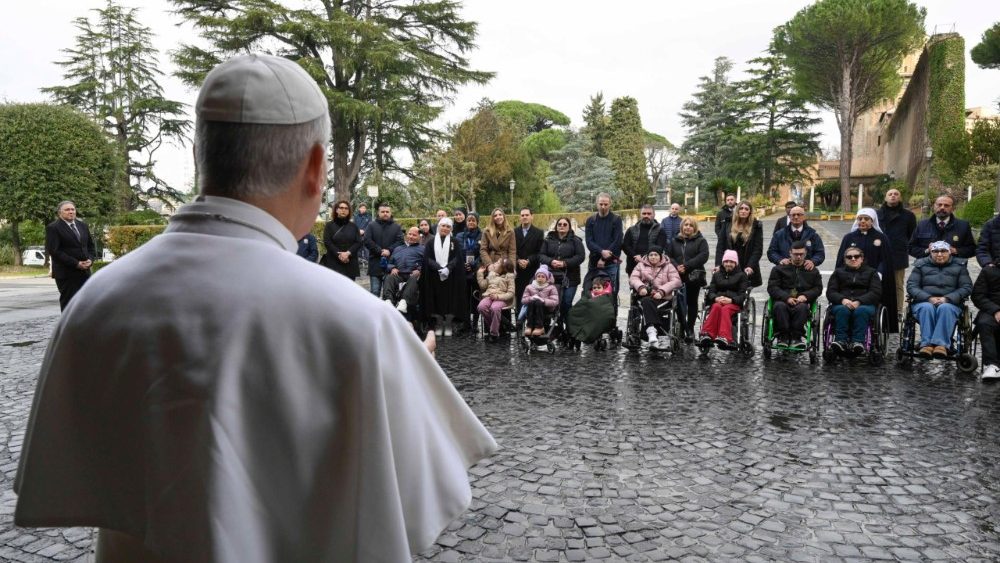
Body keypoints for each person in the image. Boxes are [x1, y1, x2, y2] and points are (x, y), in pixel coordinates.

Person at [14, 53, 496, 563]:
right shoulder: (360, 322)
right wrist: (407, 372)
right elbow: (413, 507)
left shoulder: (97, 299)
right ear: (315, 168)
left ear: (201, 155)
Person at [835, 208, 898, 332]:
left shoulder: (881, 238)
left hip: (874, 279)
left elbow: (885, 259)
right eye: (860, 218)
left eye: (866, 219)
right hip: (850, 277)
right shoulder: (849, 237)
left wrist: (879, 273)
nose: (862, 221)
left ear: (872, 220)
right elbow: (841, 259)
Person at [907, 240, 973, 357]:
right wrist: (929, 298)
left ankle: (941, 345)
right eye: (935, 251)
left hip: (950, 303)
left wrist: (947, 298)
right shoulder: (920, 265)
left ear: (950, 252)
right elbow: (912, 286)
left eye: (943, 251)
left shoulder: (960, 266)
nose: (939, 254)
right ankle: (926, 344)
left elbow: (966, 287)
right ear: (930, 252)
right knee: (927, 308)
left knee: (945, 308)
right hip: (924, 301)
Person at [767, 241, 824, 347]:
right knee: (780, 306)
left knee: (802, 308)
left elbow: (818, 288)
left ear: (805, 253)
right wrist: (786, 297)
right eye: (796, 254)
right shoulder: (778, 269)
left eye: (801, 254)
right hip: (783, 299)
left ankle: (796, 337)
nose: (798, 257)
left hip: (802, 300)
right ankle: (783, 336)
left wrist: (805, 296)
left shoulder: (813, 271)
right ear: (790, 253)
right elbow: (772, 287)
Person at [826, 248, 882, 355]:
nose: (853, 259)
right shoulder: (838, 272)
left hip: (865, 304)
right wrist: (842, 300)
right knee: (842, 310)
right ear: (845, 259)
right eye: (849, 257)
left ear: (861, 259)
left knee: (861, 311)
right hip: (842, 303)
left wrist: (859, 301)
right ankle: (840, 341)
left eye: (856, 256)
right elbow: (831, 292)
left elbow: (876, 292)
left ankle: (858, 342)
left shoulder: (872, 272)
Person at [45, 200, 97, 311]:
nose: (71, 212)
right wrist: (76, 263)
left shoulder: (82, 225)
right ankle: (68, 327)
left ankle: (83, 327)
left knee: (86, 302)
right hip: (66, 273)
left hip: (84, 272)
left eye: (73, 209)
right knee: (69, 303)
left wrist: (90, 260)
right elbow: (54, 251)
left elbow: (90, 246)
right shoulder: (53, 228)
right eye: (67, 210)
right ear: (60, 213)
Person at [629, 246, 682, 348]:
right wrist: (641, 287)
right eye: (651, 255)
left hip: (663, 298)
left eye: (656, 255)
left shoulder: (669, 266)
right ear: (647, 256)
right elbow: (633, 278)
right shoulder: (640, 265)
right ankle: (651, 330)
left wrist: (662, 291)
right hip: (645, 296)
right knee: (646, 301)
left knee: (647, 303)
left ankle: (650, 331)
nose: (653, 257)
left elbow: (676, 281)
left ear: (660, 256)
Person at [423, 218, 467, 337]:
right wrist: (438, 268)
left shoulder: (455, 242)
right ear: (438, 226)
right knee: (436, 300)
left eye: (448, 227)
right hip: (434, 276)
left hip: (451, 276)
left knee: (450, 300)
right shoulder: (430, 242)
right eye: (443, 226)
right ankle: (438, 323)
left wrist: (448, 268)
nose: (445, 228)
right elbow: (427, 258)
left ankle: (448, 323)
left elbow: (457, 257)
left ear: (451, 229)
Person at [666, 217, 709, 338]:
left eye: (690, 225)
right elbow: (668, 256)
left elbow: (703, 256)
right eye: (686, 225)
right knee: (678, 303)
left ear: (694, 227)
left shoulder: (701, 241)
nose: (688, 227)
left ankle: (690, 328)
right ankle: (681, 326)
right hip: (677, 275)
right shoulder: (674, 240)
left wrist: (686, 266)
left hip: (693, 276)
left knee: (691, 302)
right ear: (682, 227)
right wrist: (676, 266)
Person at [876, 188, 916, 314]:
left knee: (898, 284)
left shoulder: (908, 215)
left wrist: (904, 245)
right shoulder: (876, 214)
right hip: (878, 253)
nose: (893, 196)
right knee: (877, 282)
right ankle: (878, 308)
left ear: (900, 197)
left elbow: (912, 235)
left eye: (896, 194)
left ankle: (898, 310)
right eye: (890, 194)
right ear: (885, 198)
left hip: (898, 254)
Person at [699, 250, 750, 348]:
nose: (728, 264)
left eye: (731, 262)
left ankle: (724, 336)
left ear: (735, 263)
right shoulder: (717, 275)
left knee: (725, 309)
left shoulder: (742, 276)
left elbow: (743, 294)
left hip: (733, 303)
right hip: (719, 301)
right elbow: (711, 291)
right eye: (726, 261)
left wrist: (731, 300)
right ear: (723, 263)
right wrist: (716, 298)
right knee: (716, 307)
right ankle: (707, 334)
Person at [539, 217, 585, 324]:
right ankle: (553, 324)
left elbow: (580, 257)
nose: (562, 226)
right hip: (552, 277)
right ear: (556, 226)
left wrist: (565, 263)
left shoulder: (576, 241)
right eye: (560, 224)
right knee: (552, 301)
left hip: (570, 277)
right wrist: (551, 261)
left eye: (565, 224)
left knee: (566, 303)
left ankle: (567, 325)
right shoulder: (548, 240)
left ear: (569, 227)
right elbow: (541, 255)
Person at [908, 194, 976, 260]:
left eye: (946, 205)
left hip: (954, 267)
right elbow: (910, 248)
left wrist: (955, 250)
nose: (942, 207)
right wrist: (927, 250)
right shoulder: (922, 225)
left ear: (953, 208)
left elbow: (972, 249)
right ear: (934, 206)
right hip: (926, 267)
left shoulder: (963, 225)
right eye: (939, 205)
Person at [715, 201, 764, 287]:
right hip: (729, 264)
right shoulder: (728, 223)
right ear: (737, 210)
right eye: (741, 208)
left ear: (750, 212)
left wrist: (750, 266)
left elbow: (758, 249)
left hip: (747, 264)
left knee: (743, 293)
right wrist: (718, 264)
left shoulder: (756, 226)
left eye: (746, 209)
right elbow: (720, 246)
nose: (743, 211)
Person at [585, 192, 624, 299]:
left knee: (611, 293)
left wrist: (603, 258)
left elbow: (617, 241)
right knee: (592, 292)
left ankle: (612, 315)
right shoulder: (591, 221)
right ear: (596, 204)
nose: (603, 207)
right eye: (601, 204)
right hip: (594, 263)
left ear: (610, 204)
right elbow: (589, 242)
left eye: (606, 204)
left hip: (611, 263)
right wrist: (601, 252)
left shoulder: (616, 220)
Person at [382, 226, 425, 317]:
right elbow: (389, 264)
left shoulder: (423, 249)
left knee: (414, 278)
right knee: (389, 277)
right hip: (398, 274)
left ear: (419, 237)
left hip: (412, 275)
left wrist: (419, 270)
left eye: (414, 235)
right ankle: (388, 301)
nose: (411, 236)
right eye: (410, 234)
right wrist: (392, 268)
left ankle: (404, 302)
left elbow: (427, 264)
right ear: (406, 235)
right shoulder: (398, 249)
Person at [363, 203, 404, 297]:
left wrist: (389, 250)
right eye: (383, 212)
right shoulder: (371, 225)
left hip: (391, 265)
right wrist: (380, 251)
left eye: (387, 212)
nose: (385, 213)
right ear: (378, 213)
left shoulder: (396, 227)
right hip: (375, 264)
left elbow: (400, 241)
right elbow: (367, 240)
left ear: (390, 213)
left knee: (389, 293)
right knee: (374, 293)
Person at [972, 260, 1000, 380]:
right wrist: (995, 310)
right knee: (984, 323)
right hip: (992, 310)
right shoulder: (989, 271)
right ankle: (992, 365)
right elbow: (977, 295)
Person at [320, 200, 362, 279]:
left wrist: (348, 253)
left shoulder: (354, 226)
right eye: (341, 208)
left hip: (350, 262)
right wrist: (339, 254)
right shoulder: (329, 225)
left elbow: (358, 242)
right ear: (336, 210)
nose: (344, 210)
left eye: (346, 208)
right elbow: (328, 242)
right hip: (334, 262)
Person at [514, 207, 545, 313]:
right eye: (522, 215)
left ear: (532, 216)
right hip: (518, 270)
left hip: (532, 269)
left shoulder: (539, 232)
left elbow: (540, 252)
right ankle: (519, 324)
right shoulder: (514, 232)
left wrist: (528, 260)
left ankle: (531, 324)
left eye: (527, 215)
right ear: (519, 217)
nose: (524, 217)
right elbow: (511, 250)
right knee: (519, 297)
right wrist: (518, 260)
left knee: (532, 297)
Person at [477, 257, 515, 339]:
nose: (494, 264)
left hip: (501, 298)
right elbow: (483, 285)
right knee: (481, 307)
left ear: (503, 268)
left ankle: (494, 334)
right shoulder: (491, 274)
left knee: (494, 308)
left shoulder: (509, 277)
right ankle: (497, 326)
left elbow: (511, 293)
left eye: (497, 263)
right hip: (489, 296)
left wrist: (498, 296)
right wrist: (480, 274)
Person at [623, 204, 661, 277]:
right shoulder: (631, 230)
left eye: (649, 213)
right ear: (640, 214)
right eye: (644, 213)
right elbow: (625, 246)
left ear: (654, 215)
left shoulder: (660, 230)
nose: (646, 216)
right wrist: (635, 255)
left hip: (652, 266)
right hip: (633, 265)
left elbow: (660, 247)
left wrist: (643, 257)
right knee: (634, 287)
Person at [521, 265, 559, 337]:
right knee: (532, 301)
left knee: (538, 302)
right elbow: (523, 300)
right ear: (535, 277)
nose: (540, 278)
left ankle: (539, 327)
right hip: (532, 307)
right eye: (538, 276)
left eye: (543, 277)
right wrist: (531, 298)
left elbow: (555, 301)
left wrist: (543, 300)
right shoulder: (529, 287)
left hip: (546, 308)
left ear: (547, 278)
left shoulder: (551, 287)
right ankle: (529, 326)